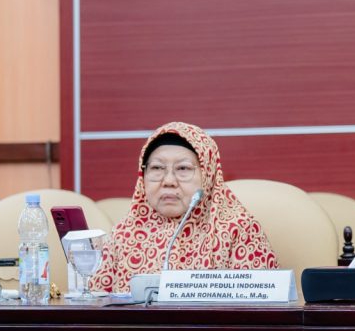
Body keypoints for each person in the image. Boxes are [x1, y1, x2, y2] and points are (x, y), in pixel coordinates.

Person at [92, 121, 278, 293]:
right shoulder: (123, 235)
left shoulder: (238, 230)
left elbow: (259, 308)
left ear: (208, 174)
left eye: (183, 169)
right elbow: (94, 307)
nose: (169, 181)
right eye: (157, 168)